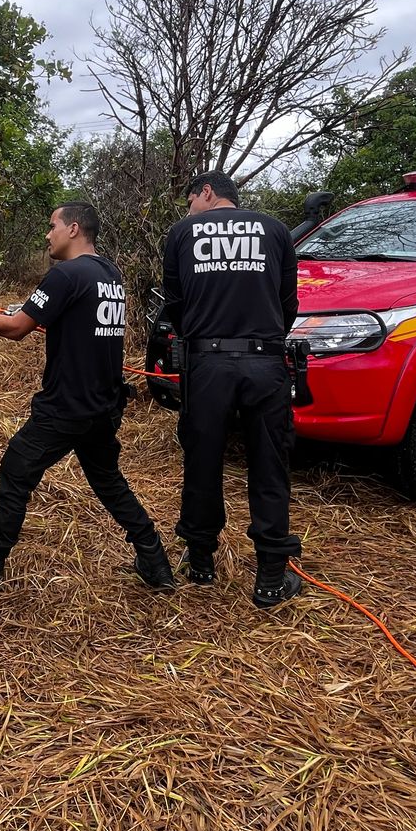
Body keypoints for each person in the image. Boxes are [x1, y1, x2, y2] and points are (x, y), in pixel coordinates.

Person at [0, 202, 177, 591]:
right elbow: (79, 323)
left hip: (66, 407)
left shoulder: (65, 274)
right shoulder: (109, 274)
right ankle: (154, 558)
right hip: (103, 406)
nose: (47, 235)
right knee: (109, 482)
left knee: (16, 473)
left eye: (52, 227)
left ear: (74, 229)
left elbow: (16, 329)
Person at [160, 170, 303, 608]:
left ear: (207, 192)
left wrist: (203, 339)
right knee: (269, 464)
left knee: (202, 460)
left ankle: (201, 560)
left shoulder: (181, 234)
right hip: (265, 361)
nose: (189, 210)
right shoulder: (276, 231)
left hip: (207, 364)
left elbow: (175, 303)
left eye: (190, 200)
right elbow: (288, 303)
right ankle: (271, 577)